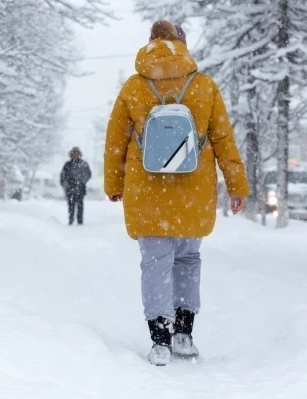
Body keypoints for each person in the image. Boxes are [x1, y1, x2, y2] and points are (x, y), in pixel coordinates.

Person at [104, 20, 249, 366]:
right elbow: (224, 140)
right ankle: (184, 335)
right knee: (187, 260)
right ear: (182, 44)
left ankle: (159, 341)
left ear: (151, 43)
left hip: (147, 193)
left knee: (154, 263)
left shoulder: (134, 87)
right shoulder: (204, 86)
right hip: (193, 193)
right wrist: (236, 186)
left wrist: (113, 185)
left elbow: (115, 142)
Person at [60, 147, 92, 225]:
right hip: (70, 189)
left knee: (80, 206)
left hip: (80, 189)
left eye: (77, 153)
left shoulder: (83, 164)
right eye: (74, 153)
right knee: (71, 206)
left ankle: (80, 222)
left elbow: (88, 174)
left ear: (79, 154)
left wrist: (82, 181)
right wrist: (64, 183)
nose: (75, 154)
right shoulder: (67, 164)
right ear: (71, 154)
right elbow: (62, 175)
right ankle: (71, 221)